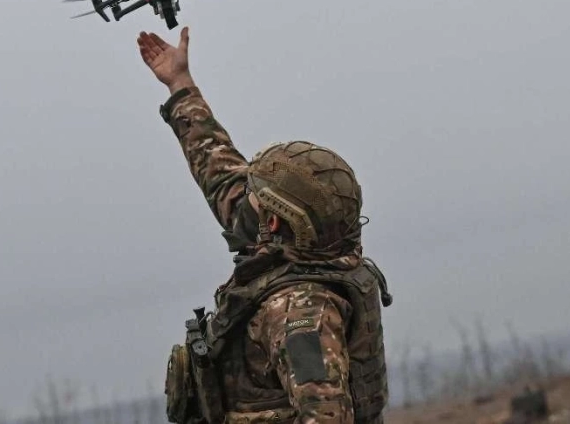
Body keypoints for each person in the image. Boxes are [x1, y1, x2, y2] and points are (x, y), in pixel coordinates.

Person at [137, 27, 392, 424]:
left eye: (255, 196)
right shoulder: (306, 247)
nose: (245, 198)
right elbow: (219, 169)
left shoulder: (300, 312)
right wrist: (180, 84)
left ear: (272, 221)